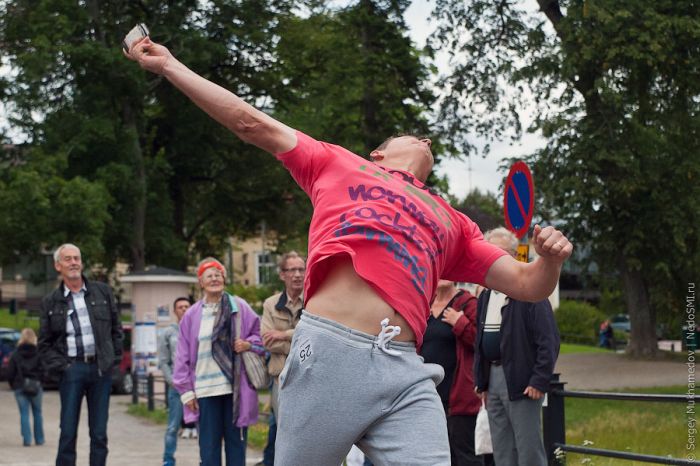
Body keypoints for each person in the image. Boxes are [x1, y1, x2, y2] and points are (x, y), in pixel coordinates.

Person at [125, 38, 573, 465]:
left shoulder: (453, 221)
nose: (426, 141)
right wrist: (168, 65)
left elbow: (527, 285)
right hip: (329, 353)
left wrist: (549, 260)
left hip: (403, 368)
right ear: (378, 154)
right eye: (410, 136)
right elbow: (249, 120)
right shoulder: (336, 162)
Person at [473, 227, 561, 466]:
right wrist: (481, 381)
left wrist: (539, 380)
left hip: (522, 381)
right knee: (501, 449)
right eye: (488, 252)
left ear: (513, 255)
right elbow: (479, 341)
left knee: (528, 449)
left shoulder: (530, 292)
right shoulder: (485, 295)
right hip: (493, 380)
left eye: (499, 253)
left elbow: (549, 340)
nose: (492, 258)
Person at [173, 257, 264, 466]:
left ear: (224, 278)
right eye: (209, 276)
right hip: (205, 390)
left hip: (235, 390)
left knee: (236, 447)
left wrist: (247, 344)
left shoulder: (239, 307)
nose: (214, 278)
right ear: (201, 283)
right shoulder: (192, 315)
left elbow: (259, 335)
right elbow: (182, 355)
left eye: (218, 274)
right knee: (209, 450)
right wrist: (186, 391)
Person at [38, 243, 123, 466]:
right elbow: (44, 344)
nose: (74, 262)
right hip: (71, 370)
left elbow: (116, 330)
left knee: (99, 434)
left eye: (77, 258)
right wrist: (63, 367)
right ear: (58, 266)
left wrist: (112, 361)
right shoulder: (50, 301)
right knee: (67, 432)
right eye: (68, 259)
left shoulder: (102, 291)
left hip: (99, 370)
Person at [421, 280, 481, 465]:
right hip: (428, 395)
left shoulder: (467, 303)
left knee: (464, 456)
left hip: (458, 397)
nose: (443, 275)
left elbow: (482, 342)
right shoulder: (424, 305)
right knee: (434, 456)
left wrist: (460, 323)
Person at [257, 252, 305, 466]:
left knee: (307, 430)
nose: (297, 275)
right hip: (280, 379)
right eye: (292, 270)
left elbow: (317, 338)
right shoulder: (270, 304)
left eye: (301, 269)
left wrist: (284, 334)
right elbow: (267, 341)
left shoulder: (316, 300)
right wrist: (299, 339)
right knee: (278, 430)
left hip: (308, 377)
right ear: (282, 275)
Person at [158, 296, 192, 466]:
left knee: (203, 427)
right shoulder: (168, 332)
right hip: (177, 387)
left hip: (197, 387)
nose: (184, 309)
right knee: (173, 426)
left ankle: (205, 459)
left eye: (187, 306)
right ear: (175, 311)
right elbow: (163, 361)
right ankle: (168, 460)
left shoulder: (198, 329)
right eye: (180, 307)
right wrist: (172, 381)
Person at [7, 327, 45, 447]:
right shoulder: (39, 353)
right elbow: (44, 370)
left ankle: (27, 440)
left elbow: (10, 372)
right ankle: (39, 439)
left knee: (24, 413)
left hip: (20, 386)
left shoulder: (15, 354)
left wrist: (14, 384)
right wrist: (40, 381)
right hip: (36, 386)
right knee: (37, 413)